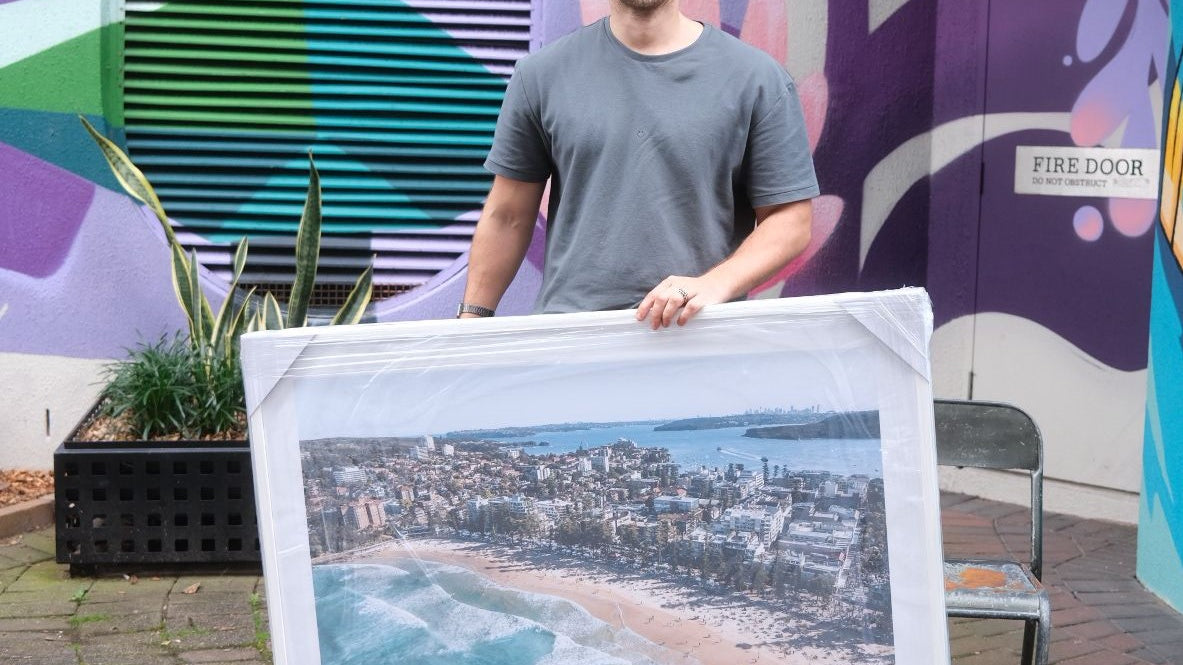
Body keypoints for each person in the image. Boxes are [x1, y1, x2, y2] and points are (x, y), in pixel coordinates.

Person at [458, 0, 818, 329]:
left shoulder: (758, 79)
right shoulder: (541, 75)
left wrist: (712, 285)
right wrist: (470, 321)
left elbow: (790, 220)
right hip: (574, 343)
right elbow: (508, 216)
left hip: (700, 339)